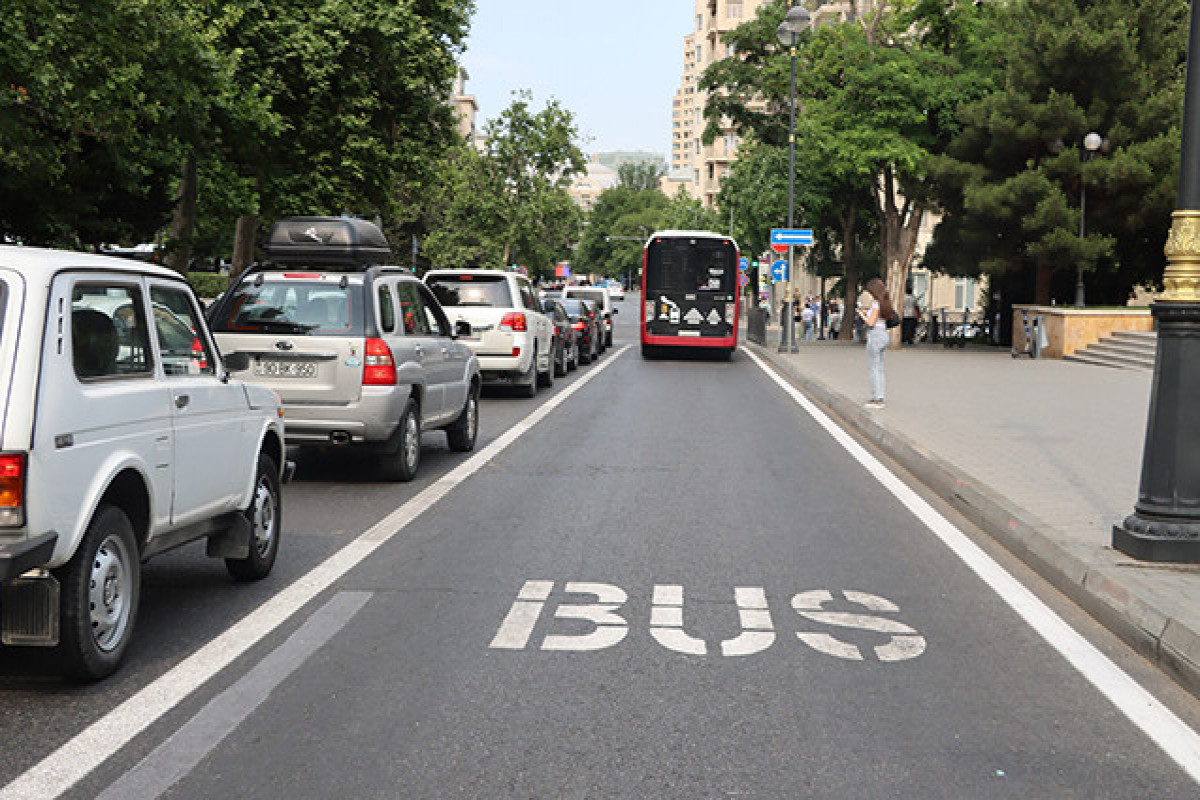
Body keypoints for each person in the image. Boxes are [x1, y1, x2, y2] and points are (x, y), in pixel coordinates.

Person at [857, 277, 895, 409]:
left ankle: (877, 399)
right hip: (884, 334)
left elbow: (870, 322)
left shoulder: (875, 303)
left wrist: (862, 314)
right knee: (880, 368)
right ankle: (881, 395)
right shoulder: (885, 303)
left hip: (875, 336)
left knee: (873, 368)